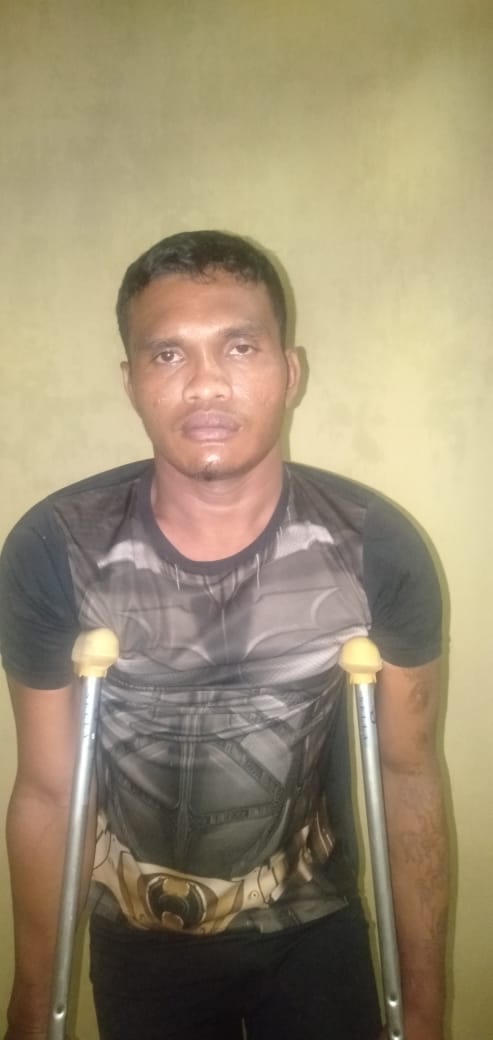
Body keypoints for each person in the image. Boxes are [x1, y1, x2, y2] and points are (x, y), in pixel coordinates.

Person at [0, 230, 449, 1040]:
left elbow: (406, 773)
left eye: (239, 347)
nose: (206, 382)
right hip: (139, 939)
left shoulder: (373, 546)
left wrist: (421, 1004)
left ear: (290, 372)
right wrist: (32, 1000)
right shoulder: (56, 549)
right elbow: (48, 791)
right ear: (131, 381)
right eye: (167, 354)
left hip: (314, 928)